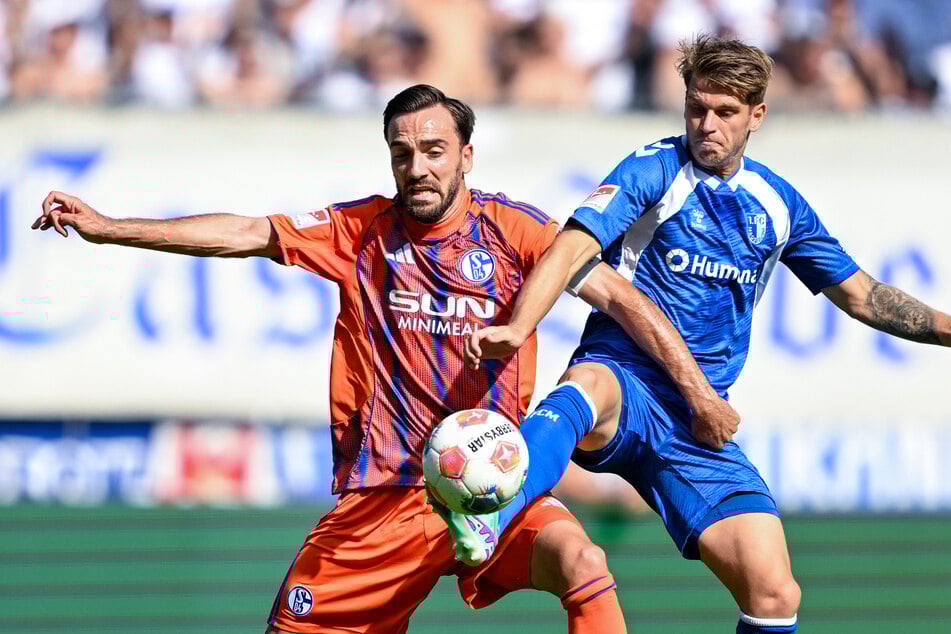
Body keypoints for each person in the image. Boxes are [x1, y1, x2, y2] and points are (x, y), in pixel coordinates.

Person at [32, 84, 734, 634]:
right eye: (402, 152)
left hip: (490, 494)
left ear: (465, 155)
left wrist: (697, 394)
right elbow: (247, 232)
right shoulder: (360, 232)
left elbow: (620, 297)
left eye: (433, 149)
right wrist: (108, 227)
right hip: (383, 499)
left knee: (583, 563)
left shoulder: (516, 232)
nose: (417, 165)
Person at [463, 35, 951, 634]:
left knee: (774, 591)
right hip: (628, 376)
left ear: (757, 116)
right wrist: (518, 325)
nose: (707, 125)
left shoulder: (778, 205)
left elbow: (862, 296)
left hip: (699, 421)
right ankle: (489, 516)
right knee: (589, 385)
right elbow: (571, 249)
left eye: (725, 112)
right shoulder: (653, 169)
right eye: (697, 108)